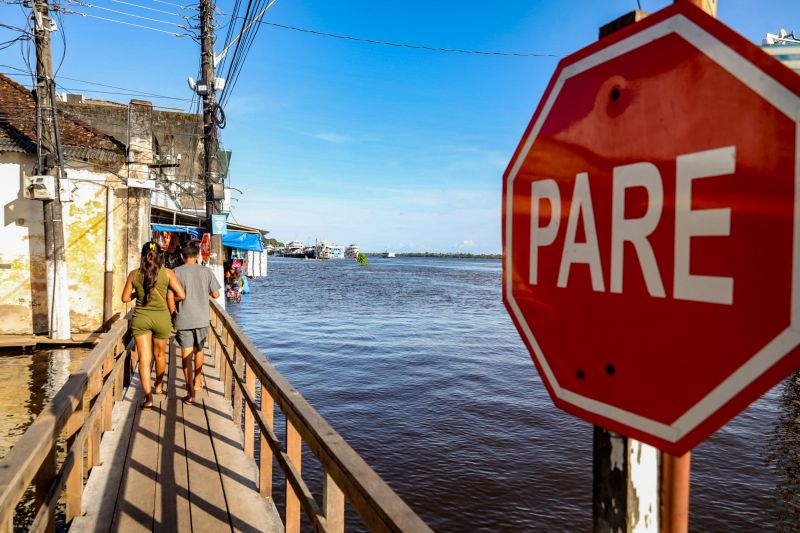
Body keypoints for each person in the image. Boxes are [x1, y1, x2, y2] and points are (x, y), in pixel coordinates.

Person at [122, 241, 185, 408]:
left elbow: (125, 298)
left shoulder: (134, 274)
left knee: (144, 358)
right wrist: (169, 298)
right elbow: (182, 295)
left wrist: (137, 293)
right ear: (160, 256)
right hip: (162, 319)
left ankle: (148, 397)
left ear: (143, 256)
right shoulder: (168, 273)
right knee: (159, 355)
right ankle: (158, 385)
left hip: (141, 318)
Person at [172, 240, 221, 404]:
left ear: (181, 256)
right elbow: (216, 295)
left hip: (183, 318)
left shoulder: (175, 272)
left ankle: (190, 392)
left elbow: (170, 296)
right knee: (199, 350)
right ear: (198, 255)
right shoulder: (206, 272)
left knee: (186, 354)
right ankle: (198, 380)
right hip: (201, 318)